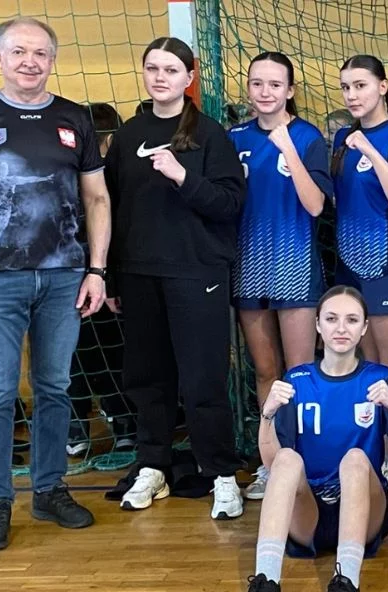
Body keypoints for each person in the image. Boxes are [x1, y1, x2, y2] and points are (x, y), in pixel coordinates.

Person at [0, 17, 110, 550]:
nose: (29, 61)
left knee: (55, 387)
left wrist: (96, 270)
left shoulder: (74, 118)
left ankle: (50, 489)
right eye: (19, 52)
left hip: (63, 277)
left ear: (52, 60)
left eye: (40, 53)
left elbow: (97, 198)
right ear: (0, 57)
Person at [103, 36, 247, 518]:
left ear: (189, 78)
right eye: (153, 68)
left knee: (204, 378)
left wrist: (183, 177)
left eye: (170, 69)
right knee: (148, 378)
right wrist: (114, 278)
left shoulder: (210, 135)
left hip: (197, 272)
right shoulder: (128, 135)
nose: (160, 77)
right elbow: (113, 210)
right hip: (139, 274)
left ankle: (221, 473)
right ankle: (153, 465)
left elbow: (230, 204)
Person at [232, 286, 388, 592]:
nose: (341, 328)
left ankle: (346, 585)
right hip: (311, 514)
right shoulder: (298, 380)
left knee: (355, 458)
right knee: (288, 459)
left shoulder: (379, 378)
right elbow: (274, 465)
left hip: (365, 509)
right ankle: (265, 584)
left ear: (364, 328)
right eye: (332, 319)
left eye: (352, 320)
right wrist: (268, 415)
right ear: (318, 325)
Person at [228, 52, 333, 499]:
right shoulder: (234, 139)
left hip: (295, 268)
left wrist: (286, 145)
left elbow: (316, 205)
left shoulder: (308, 138)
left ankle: (309, 460)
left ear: (290, 91)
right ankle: (272, 461)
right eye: (257, 83)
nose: (265, 92)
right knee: (266, 371)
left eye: (275, 84)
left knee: (300, 372)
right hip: (249, 267)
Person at [330, 54, 388, 498]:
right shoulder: (342, 139)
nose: (352, 95)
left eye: (361, 85)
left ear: (383, 87)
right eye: (346, 87)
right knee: (366, 368)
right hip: (349, 267)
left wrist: (370, 152)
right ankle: (379, 454)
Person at [66, 102, 135, 457]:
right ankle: (115, 421)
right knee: (106, 350)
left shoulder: (74, 172)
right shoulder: (107, 175)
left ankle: (85, 424)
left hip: (80, 275)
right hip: (93, 276)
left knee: (80, 351)